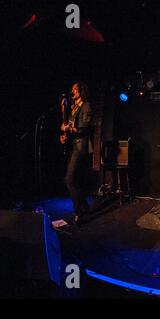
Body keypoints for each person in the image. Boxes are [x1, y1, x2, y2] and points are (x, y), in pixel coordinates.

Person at [60, 82, 93, 224]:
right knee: (75, 179)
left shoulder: (86, 106)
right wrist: (64, 135)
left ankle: (78, 212)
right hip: (73, 145)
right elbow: (70, 127)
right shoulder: (73, 107)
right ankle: (84, 206)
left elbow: (85, 128)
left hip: (81, 146)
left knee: (69, 179)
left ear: (81, 91)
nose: (72, 91)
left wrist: (69, 129)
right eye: (72, 89)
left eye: (75, 89)